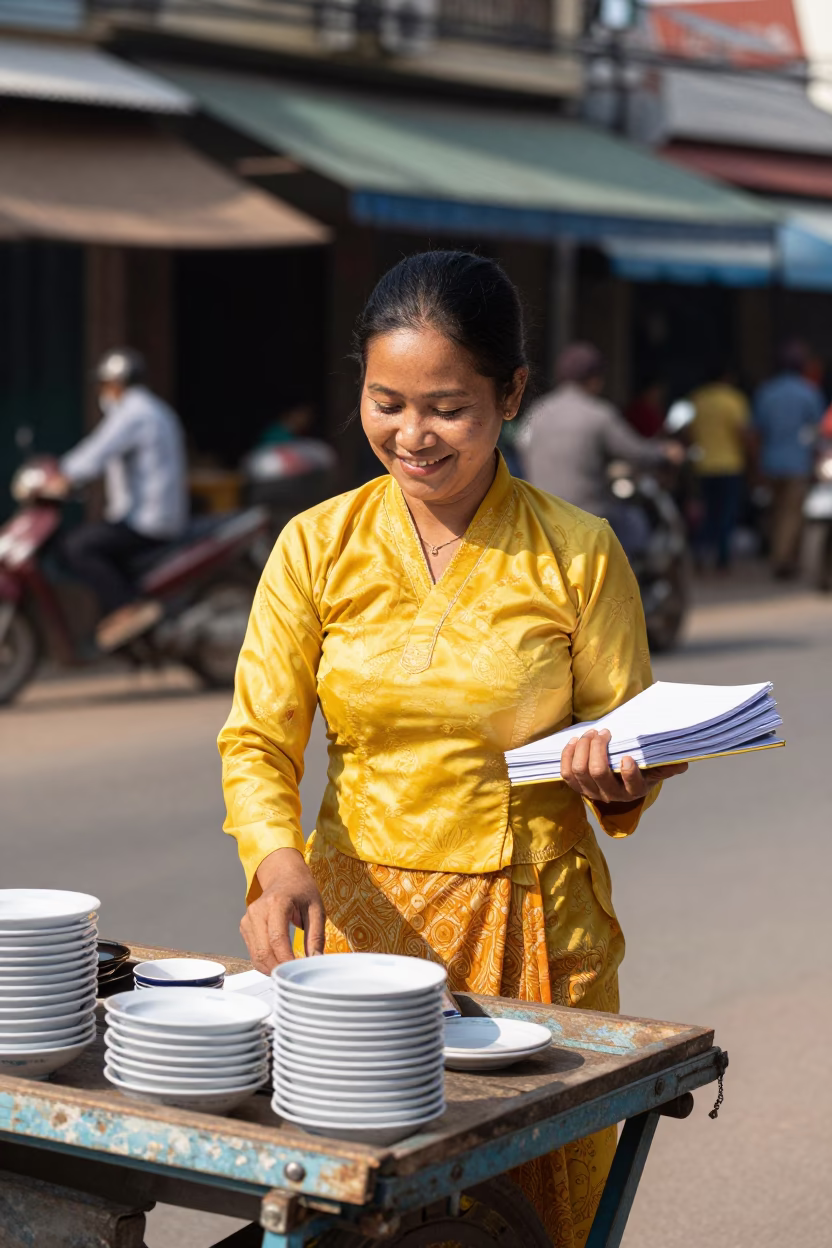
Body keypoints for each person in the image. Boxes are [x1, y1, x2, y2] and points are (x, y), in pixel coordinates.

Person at [218, 252, 687, 1245]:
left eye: (447, 408)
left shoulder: (577, 551)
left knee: (525, 1213)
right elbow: (258, 736)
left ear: (510, 394)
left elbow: (635, 734)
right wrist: (275, 860)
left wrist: (618, 773)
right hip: (352, 936)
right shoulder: (316, 545)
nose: (411, 435)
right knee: (349, 1211)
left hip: (529, 935)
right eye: (386, 402)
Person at [53, 349, 188, 651]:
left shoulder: (135, 412)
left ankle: (128, 607)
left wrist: (60, 475)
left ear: (117, 382)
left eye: (104, 384)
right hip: (146, 517)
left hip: (150, 521)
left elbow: (97, 452)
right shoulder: (153, 410)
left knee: (78, 546)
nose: (102, 392)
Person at [515, 343, 683, 533]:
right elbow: (635, 451)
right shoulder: (599, 415)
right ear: (594, 379)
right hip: (588, 515)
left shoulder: (537, 412)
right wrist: (665, 452)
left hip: (539, 515)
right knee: (636, 527)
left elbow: (521, 446)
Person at [753, 341, 825, 579]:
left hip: (771, 461)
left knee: (776, 512)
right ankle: (782, 559)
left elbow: (757, 430)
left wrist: (756, 464)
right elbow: (817, 431)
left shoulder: (766, 392)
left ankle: (783, 556)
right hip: (797, 463)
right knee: (791, 515)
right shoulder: (809, 392)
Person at [689, 365, 752, 571]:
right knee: (726, 513)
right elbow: (742, 432)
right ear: (727, 377)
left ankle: (700, 551)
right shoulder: (733, 399)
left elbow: (686, 431)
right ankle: (722, 559)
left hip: (703, 465)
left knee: (707, 512)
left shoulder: (697, 399)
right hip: (729, 465)